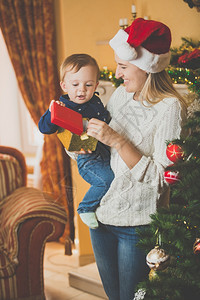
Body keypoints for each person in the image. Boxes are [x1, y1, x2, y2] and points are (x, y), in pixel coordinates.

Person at [84, 18, 187, 300]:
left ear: (146, 67)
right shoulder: (120, 96)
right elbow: (101, 148)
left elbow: (162, 180)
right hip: (102, 218)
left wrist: (118, 140)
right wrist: (78, 141)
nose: (118, 74)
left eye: (123, 66)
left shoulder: (170, 108)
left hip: (136, 227)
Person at [38, 53, 114, 229]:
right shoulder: (63, 107)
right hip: (88, 158)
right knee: (106, 179)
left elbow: (105, 120)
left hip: (102, 149)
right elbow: (44, 128)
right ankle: (85, 207)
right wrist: (52, 113)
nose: (82, 90)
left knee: (117, 177)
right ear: (64, 86)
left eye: (88, 85)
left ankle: (103, 208)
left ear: (96, 85)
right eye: (75, 85)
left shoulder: (95, 101)